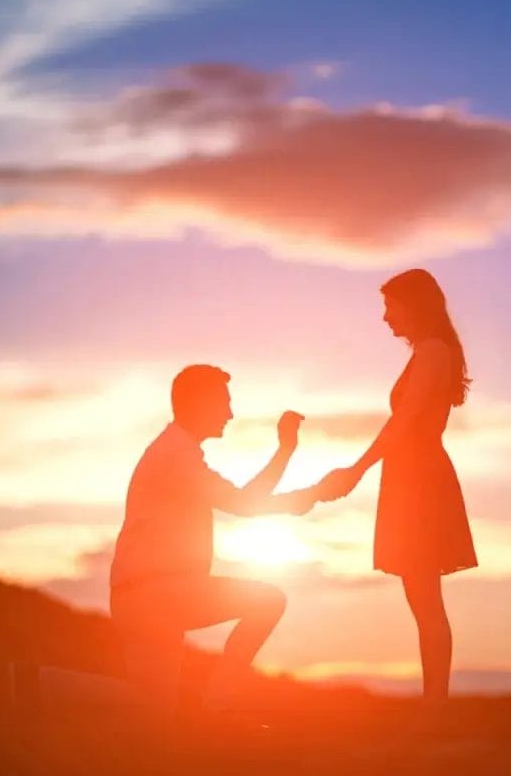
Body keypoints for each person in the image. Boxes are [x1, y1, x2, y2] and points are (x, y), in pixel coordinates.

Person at [109, 363, 321, 721]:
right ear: (198, 403)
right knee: (268, 601)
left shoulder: (175, 452)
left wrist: (292, 492)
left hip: (146, 594)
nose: (230, 413)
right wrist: (286, 456)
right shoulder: (175, 456)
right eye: (223, 402)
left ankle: (36, 684)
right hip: (157, 593)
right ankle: (218, 710)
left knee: (150, 708)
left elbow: (242, 501)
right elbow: (242, 503)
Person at [317, 268, 477, 703]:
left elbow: (404, 422)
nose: (386, 317)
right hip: (409, 479)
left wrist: (356, 469)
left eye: (391, 306)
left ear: (414, 305)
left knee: (427, 603)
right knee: (421, 600)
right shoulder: (426, 353)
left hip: (421, 482)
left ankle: (435, 707)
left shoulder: (431, 352)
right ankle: (434, 705)